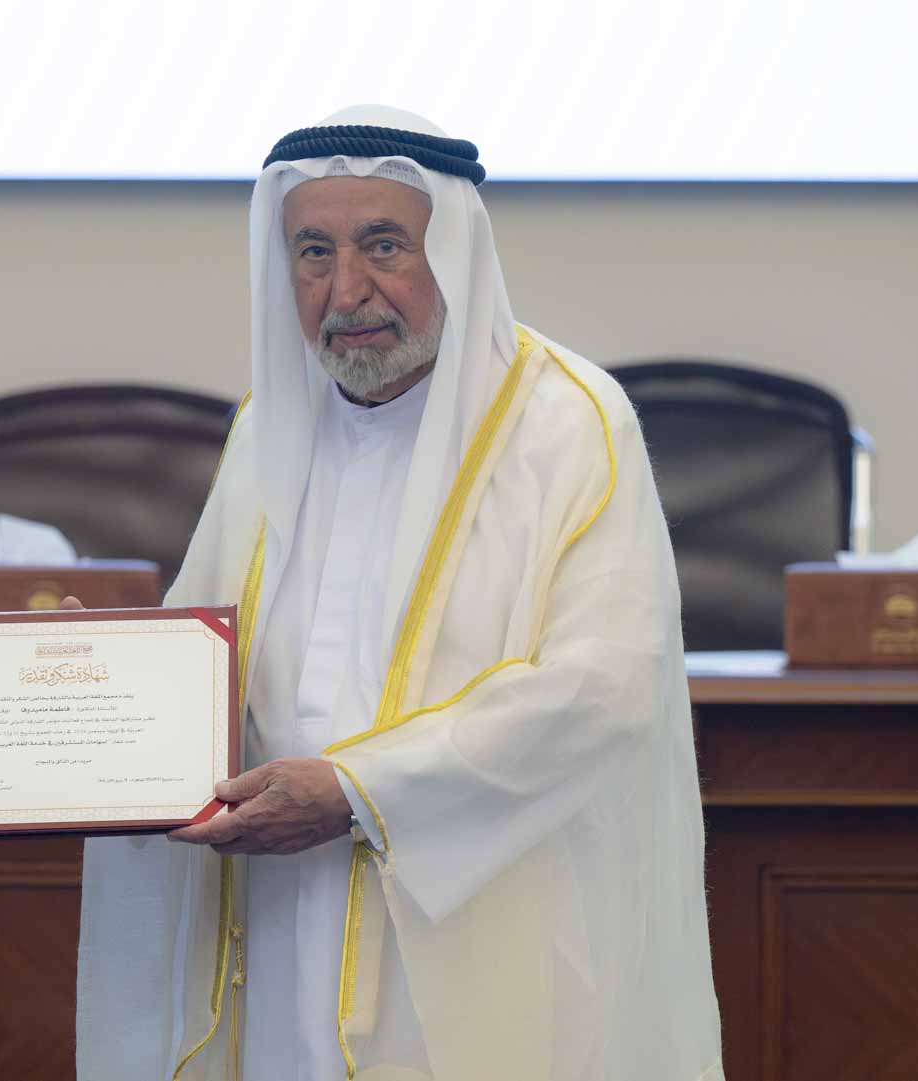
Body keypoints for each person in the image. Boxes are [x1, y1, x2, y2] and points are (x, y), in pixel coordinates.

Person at [77, 107, 724, 1080]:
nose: (347, 289)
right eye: (313, 252)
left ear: (453, 251)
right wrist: (86, 684)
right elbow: (202, 656)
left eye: (384, 245)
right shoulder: (266, 428)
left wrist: (358, 790)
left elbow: (604, 688)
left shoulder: (567, 424)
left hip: (475, 942)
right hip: (275, 922)